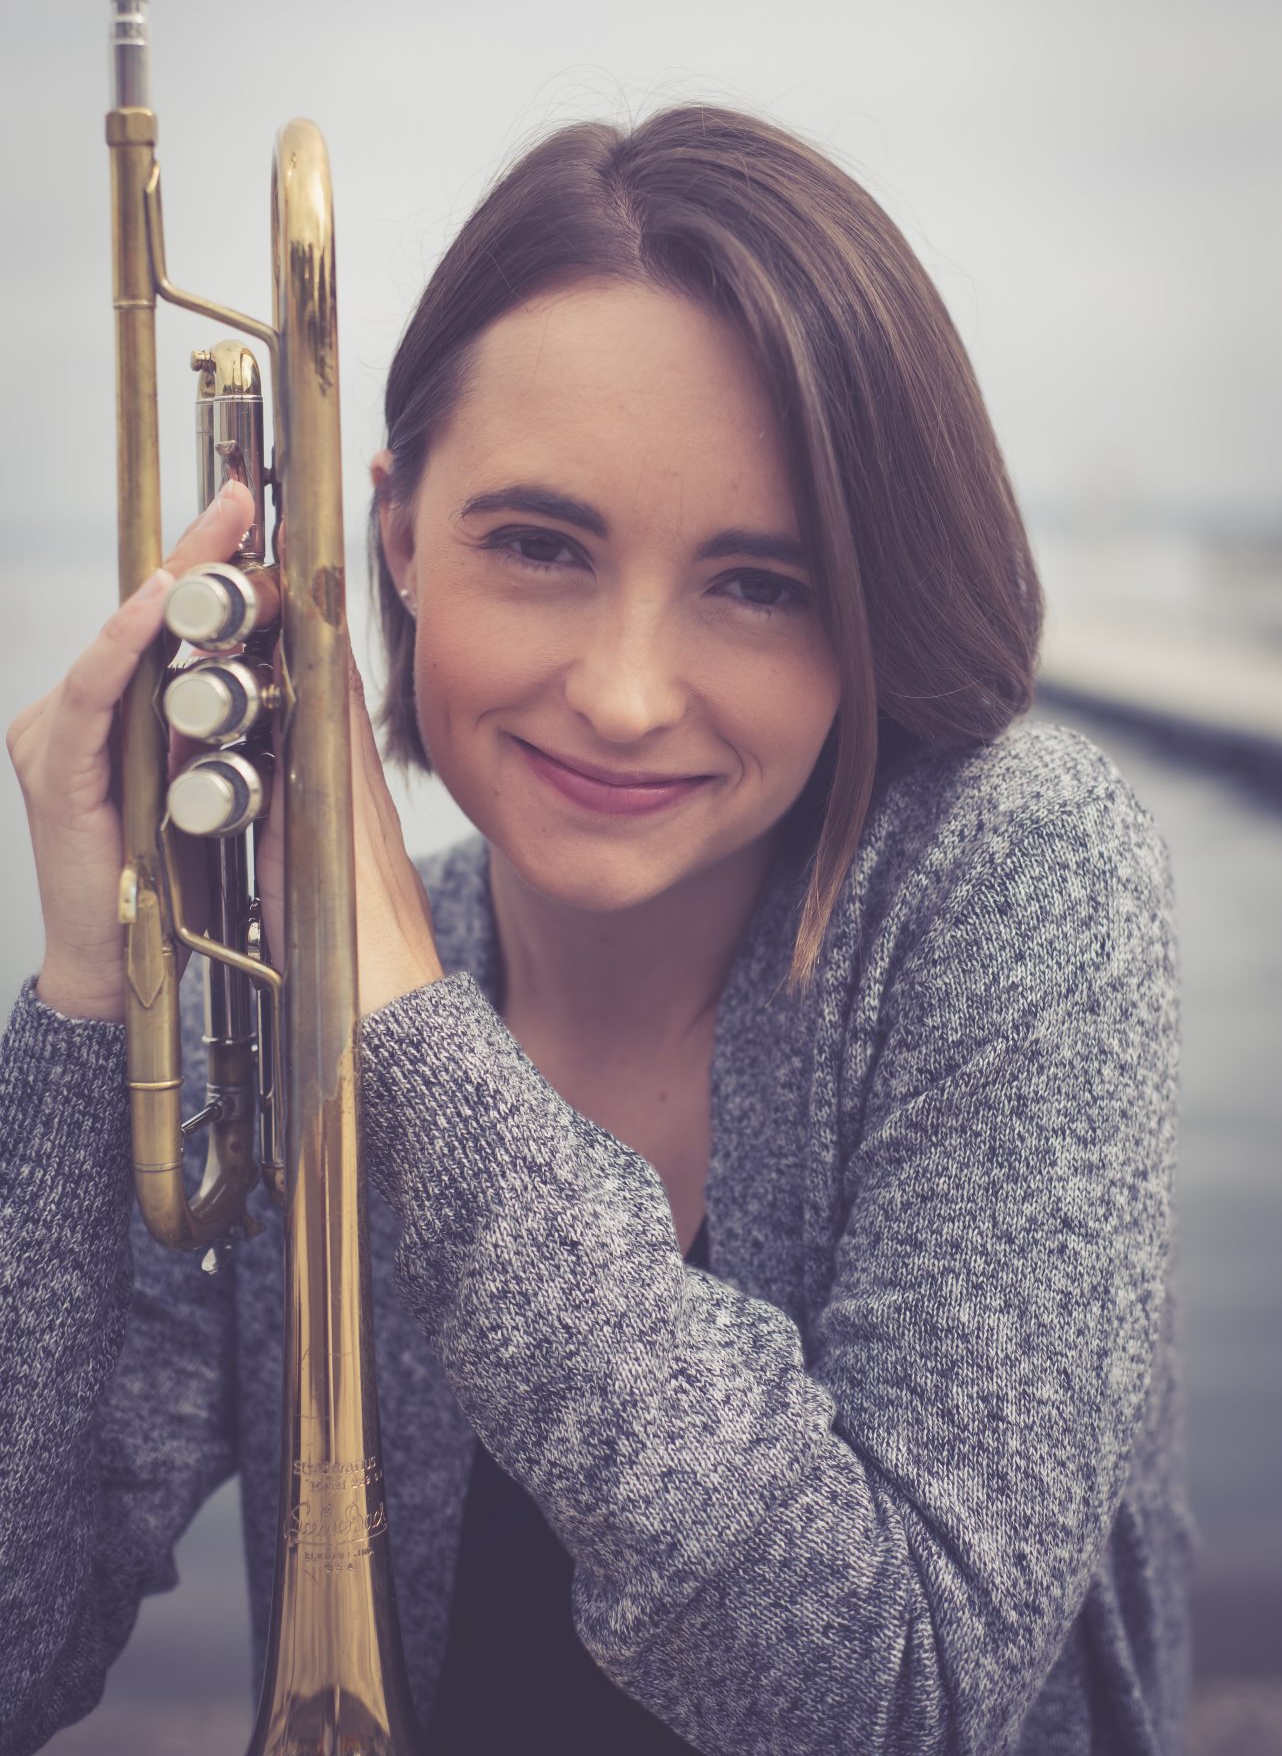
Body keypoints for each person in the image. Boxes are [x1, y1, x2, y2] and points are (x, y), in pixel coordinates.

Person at [0, 105, 1195, 1754]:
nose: (627, 696)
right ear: (396, 536)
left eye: (758, 582)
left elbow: (897, 1694)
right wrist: (83, 993)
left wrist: (416, 1038)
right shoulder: (275, 988)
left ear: (870, 598)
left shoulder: (1008, 876)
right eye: (541, 546)